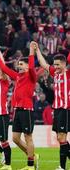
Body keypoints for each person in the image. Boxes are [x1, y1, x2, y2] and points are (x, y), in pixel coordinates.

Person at [0, 43, 38, 170]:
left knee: (28, 137)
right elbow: (4, 68)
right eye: (18, 64)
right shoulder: (18, 76)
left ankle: (30, 165)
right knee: (15, 138)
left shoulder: (31, 76)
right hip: (17, 111)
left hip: (27, 110)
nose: (18, 66)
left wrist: (31, 51)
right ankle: (33, 156)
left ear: (27, 66)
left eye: (21, 64)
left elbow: (31, 66)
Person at [35, 42, 70, 170]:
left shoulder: (68, 73)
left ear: (64, 64)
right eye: (54, 65)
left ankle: (62, 166)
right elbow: (43, 64)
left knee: (62, 137)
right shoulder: (55, 73)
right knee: (61, 138)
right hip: (58, 109)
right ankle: (62, 166)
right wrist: (37, 49)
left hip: (65, 109)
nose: (55, 67)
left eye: (58, 65)